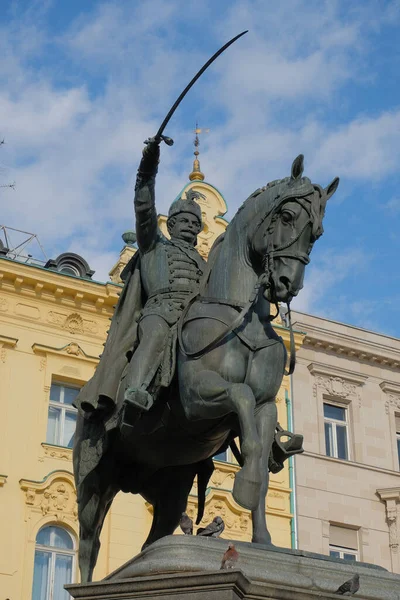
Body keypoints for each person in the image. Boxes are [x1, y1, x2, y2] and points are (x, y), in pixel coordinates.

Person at [121, 137, 206, 426]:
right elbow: (144, 207)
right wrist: (148, 166)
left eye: (196, 225)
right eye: (185, 223)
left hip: (194, 319)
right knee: (156, 333)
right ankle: (136, 393)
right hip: (161, 311)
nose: (192, 229)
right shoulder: (154, 245)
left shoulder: (204, 263)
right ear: (170, 225)